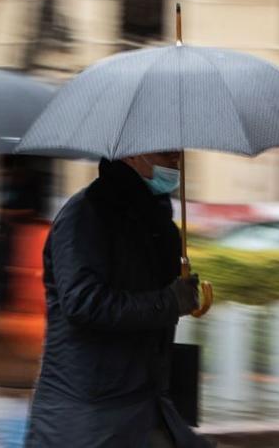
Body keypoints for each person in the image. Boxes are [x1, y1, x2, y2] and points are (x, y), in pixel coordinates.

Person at [24, 153, 214, 448]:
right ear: (134, 154)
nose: (177, 156)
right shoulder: (84, 215)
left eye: (179, 149)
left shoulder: (157, 223)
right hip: (88, 416)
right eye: (166, 150)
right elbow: (83, 303)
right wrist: (168, 301)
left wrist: (179, 293)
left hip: (143, 405)